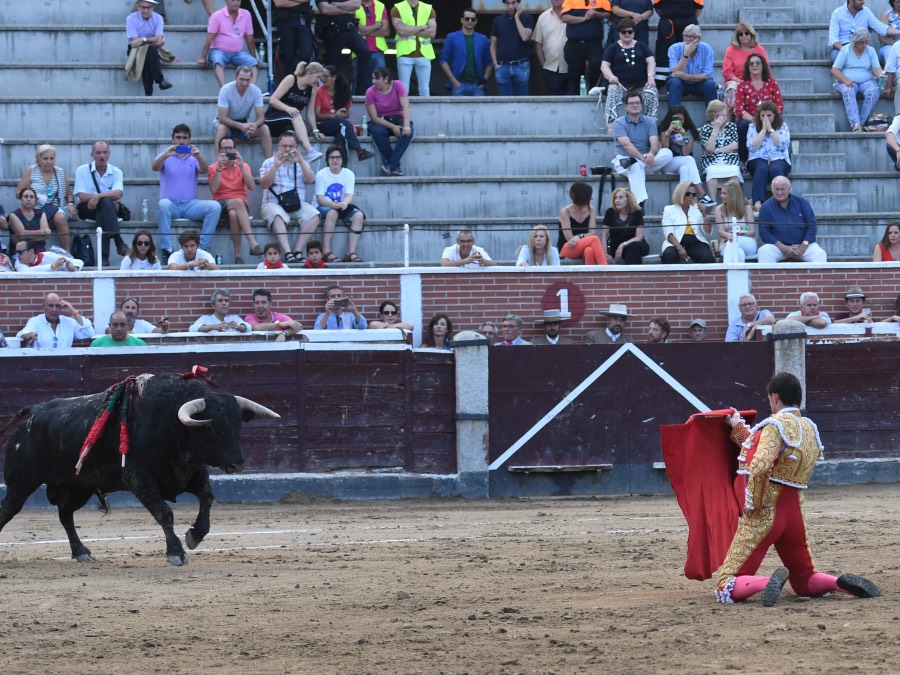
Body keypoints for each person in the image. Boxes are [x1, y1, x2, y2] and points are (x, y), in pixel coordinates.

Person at [716, 372, 880, 605]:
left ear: (774, 397)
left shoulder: (774, 426)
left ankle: (765, 582)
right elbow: (766, 450)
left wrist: (755, 501)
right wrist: (737, 427)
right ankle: (837, 583)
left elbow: (761, 466)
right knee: (804, 577)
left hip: (767, 510)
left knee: (726, 581)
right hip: (794, 513)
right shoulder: (809, 429)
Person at [153, 124, 222, 261]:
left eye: (185, 138)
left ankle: (202, 248)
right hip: (171, 204)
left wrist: (199, 157)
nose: (181, 141)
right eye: (178, 137)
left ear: (189, 140)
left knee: (215, 207)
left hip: (191, 204)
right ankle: (166, 248)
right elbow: (154, 167)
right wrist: (166, 155)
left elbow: (204, 170)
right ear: (172, 139)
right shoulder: (164, 155)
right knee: (163, 204)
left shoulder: (194, 158)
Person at [259, 131, 319, 263]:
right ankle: (287, 253)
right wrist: (275, 166)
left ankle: (298, 251)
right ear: (278, 146)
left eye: (290, 146)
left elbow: (310, 180)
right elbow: (264, 184)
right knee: (277, 215)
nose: (287, 149)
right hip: (273, 203)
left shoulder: (301, 162)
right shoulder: (269, 162)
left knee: (314, 215)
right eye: (284, 146)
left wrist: (302, 162)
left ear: (296, 147)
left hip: (296, 203)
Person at [611, 89, 674, 206]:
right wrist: (641, 157)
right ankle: (639, 204)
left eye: (637, 103)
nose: (635, 105)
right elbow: (626, 145)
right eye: (631, 103)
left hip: (645, 159)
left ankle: (638, 203)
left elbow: (654, 142)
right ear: (626, 106)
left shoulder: (649, 121)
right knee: (635, 165)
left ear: (642, 105)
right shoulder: (619, 123)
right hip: (624, 160)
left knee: (667, 153)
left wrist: (650, 154)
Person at [73, 141, 129, 265]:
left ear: (109, 154)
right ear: (92, 154)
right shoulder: (82, 170)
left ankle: (104, 257)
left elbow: (118, 193)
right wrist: (104, 197)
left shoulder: (116, 171)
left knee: (103, 208)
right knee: (107, 202)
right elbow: (82, 196)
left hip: (104, 209)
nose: (101, 156)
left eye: (104, 152)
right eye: (98, 153)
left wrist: (99, 196)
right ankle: (118, 242)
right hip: (87, 208)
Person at [208, 136, 261, 265]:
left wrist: (241, 166)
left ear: (235, 150)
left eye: (230, 148)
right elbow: (214, 189)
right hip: (220, 203)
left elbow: (252, 187)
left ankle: (237, 255)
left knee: (233, 214)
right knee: (236, 202)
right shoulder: (213, 167)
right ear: (220, 151)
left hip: (240, 206)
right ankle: (252, 241)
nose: (228, 151)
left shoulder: (243, 165)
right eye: (225, 148)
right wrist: (220, 167)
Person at [15, 144, 76, 252]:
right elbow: (18, 193)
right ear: (38, 159)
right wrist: (35, 196)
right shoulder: (31, 170)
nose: (49, 162)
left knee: (60, 217)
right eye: (45, 158)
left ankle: (67, 252)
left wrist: (71, 204)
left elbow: (68, 194)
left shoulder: (60, 172)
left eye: (52, 158)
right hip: (34, 207)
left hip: (54, 207)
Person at [264, 61, 327, 162]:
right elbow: (273, 100)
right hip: (274, 116)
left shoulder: (313, 88)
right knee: (296, 114)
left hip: (291, 121)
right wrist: (287, 108)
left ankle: (287, 163)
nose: (319, 81)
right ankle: (309, 150)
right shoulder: (291, 79)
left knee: (291, 135)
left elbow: (310, 112)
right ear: (309, 73)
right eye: (318, 77)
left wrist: (315, 130)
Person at [600, 17, 657, 128]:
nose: (627, 34)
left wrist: (650, 77)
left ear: (634, 32)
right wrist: (611, 77)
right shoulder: (613, 48)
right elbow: (604, 65)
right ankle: (612, 125)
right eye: (623, 32)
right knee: (613, 90)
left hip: (640, 86)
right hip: (620, 86)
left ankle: (651, 123)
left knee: (651, 91)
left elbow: (651, 61)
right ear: (619, 33)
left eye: (630, 31)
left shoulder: (641, 46)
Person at [757, 177, 827, 263]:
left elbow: (811, 225)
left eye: (782, 189)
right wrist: (783, 247)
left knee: (820, 254)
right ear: (772, 190)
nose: (779, 192)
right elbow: (764, 232)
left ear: (789, 189)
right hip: (778, 247)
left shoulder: (801, 202)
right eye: (776, 189)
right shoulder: (765, 208)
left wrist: (803, 247)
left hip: (804, 245)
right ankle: (770, 277)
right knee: (764, 252)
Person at [314, 146, 366, 263]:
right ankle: (326, 251)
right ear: (327, 159)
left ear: (342, 159)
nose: (335, 160)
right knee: (332, 213)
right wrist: (332, 204)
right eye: (332, 158)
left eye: (338, 157)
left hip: (342, 204)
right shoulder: (321, 174)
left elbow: (349, 195)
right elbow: (320, 198)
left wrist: (344, 203)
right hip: (325, 205)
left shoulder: (349, 174)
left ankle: (351, 253)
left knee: (358, 216)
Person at [316, 65, 376, 161]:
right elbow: (317, 115)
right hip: (322, 125)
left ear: (334, 77)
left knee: (341, 136)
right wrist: (333, 116)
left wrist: (341, 114)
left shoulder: (342, 91)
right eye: (322, 76)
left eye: (326, 76)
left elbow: (347, 114)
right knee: (342, 124)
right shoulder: (319, 91)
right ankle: (359, 150)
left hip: (339, 125)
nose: (323, 79)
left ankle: (341, 168)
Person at [734, 55, 784, 166]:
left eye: (758, 63)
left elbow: (779, 106)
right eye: (751, 63)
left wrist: (769, 119)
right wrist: (755, 120)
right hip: (750, 119)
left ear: (763, 66)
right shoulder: (742, 84)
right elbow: (739, 109)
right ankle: (743, 160)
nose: (754, 65)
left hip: (770, 118)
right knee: (743, 125)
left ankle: (777, 158)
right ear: (748, 67)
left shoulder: (772, 82)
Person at [213, 66, 272, 158]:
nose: (244, 83)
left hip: (244, 123)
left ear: (251, 79)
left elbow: (261, 117)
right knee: (222, 128)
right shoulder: (225, 90)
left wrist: (255, 125)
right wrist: (240, 125)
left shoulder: (256, 91)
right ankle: (218, 162)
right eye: (242, 79)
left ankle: (269, 162)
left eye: (247, 80)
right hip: (225, 123)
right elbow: (221, 118)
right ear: (235, 77)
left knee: (264, 128)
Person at [197, 0, 258, 87]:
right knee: (217, 60)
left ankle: (252, 90)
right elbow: (209, 39)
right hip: (219, 51)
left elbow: (249, 38)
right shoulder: (216, 16)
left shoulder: (246, 14)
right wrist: (202, 58)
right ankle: (224, 89)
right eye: (232, 0)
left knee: (253, 63)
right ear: (226, 1)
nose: (236, 2)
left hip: (238, 53)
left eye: (238, 0)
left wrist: (254, 56)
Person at [365, 68, 414, 176]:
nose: (374, 81)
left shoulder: (398, 85)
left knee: (408, 131)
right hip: (381, 121)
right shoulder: (370, 92)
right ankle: (394, 167)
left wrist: (406, 125)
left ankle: (390, 165)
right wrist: (393, 127)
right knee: (377, 132)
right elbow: (374, 118)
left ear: (386, 78)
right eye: (373, 78)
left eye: (377, 78)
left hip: (398, 118)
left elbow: (405, 106)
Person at [657, 105, 711, 204]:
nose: (679, 122)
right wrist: (669, 132)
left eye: (681, 119)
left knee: (685, 169)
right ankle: (703, 194)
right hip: (667, 163)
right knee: (689, 159)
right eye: (675, 119)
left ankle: (681, 199)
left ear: (685, 118)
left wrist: (684, 134)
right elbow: (665, 148)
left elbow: (685, 153)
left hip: (682, 162)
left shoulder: (688, 131)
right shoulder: (664, 129)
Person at [832, 30, 883, 132]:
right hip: (846, 80)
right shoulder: (845, 50)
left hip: (866, 80)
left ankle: (861, 123)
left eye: (866, 42)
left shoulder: (870, 50)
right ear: (854, 42)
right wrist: (845, 80)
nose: (864, 45)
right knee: (848, 90)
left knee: (873, 91)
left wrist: (881, 75)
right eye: (861, 42)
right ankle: (855, 123)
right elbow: (835, 70)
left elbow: (876, 69)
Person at [318, 0, 371, 96]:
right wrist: (346, 10)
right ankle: (331, 93)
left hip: (350, 29)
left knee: (365, 52)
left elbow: (356, 4)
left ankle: (361, 92)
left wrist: (335, 4)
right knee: (332, 65)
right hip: (332, 31)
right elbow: (325, 9)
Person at [746, 101, 792, 211]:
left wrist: (770, 129)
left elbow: (782, 144)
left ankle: (782, 201)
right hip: (757, 158)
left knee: (775, 169)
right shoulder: (752, 127)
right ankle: (757, 203)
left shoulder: (783, 126)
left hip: (779, 158)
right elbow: (752, 147)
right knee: (762, 169)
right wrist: (763, 130)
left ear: (775, 115)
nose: (765, 118)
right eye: (763, 115)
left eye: (769, 115)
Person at [561, 0, 610, 95]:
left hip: (594, 43)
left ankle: (593, 91)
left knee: (597, 65)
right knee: (575, 72)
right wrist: (584, 18)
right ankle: (574, 96)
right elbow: (565, 18)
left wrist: (596, 13)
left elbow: (609, 14)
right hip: (574, 44)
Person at [441, 8, 493, 96]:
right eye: (467, 18)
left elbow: (489, 63)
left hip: (478, 86)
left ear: (476, 21)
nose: (470, 21)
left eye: (472, 19)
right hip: (458, 85)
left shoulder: (482, 39)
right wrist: (453, 81)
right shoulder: (452, 37)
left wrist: (484, 81)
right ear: (462, 20)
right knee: (458, 110)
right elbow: (443, 61)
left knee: (479, 110)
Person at [126, 0, 173, 96]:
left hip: (153, 49)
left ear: (153, 7)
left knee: (149, 51)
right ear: (138, 7)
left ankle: (149, 91)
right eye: (143, 7)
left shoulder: (158, 18)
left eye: (148, 7)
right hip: (135, 51)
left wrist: (143, 39)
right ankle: (160, 81)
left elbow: (158, 38)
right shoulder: (131, 18)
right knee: (149, 51)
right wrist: (151, 40)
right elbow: (135, 42)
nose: (146, 10)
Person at [660, 181, 714, 264]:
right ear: (680, 194)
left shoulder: (697, 208)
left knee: (707, 257)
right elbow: (668, 233)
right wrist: (679, 247)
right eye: (687, 194)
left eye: (693, 194)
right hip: (676, 241)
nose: (691, 197)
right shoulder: (669, 210)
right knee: (669, 255)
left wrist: (704, 215)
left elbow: (708, 231)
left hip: (696, 241)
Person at [17, 292, 94, 349]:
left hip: (66, 365)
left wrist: (74, 312)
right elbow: (23, 333)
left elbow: (88, 332)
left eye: (57, 306)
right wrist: (29, 335)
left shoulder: (69, 322)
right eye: (51, 306)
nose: (54, 310)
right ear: (43, 307)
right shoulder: (35, 321)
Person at [391, 0, 437, 96]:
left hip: (424, 54)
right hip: (405, 54)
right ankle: (404, 111)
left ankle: (425, 111)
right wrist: (422, 27)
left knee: (424, 90)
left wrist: (408, 29)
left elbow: (432, 33)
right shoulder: (397, 8)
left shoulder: (428, 8)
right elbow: (401, 31)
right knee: (404, 90)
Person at [829, 0, 899, 62]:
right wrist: (846, 50)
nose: (863, 2)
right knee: (836, 57)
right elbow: (833, 39)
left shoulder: (866, 11)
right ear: (850, 1)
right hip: (842, 46)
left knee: (874, 58)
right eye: (860, 0)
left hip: (861, 46)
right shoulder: (837, 13)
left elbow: (882, 28)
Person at [722, 21, 768, 112]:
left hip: (756, 79)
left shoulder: (759, 49)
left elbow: (766, 69)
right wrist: (739, 81)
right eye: (740, 34)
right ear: (737, 36)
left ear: (751, 34)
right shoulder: (731, 49)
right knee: (732, 88)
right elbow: (727, 71)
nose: (744, 36)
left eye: (746, 33)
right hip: (736, 80)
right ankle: (728, 120)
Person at [699, 100, 741, 201]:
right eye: (720, 116)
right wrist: (716, 129)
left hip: (730, 160)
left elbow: (734, 145)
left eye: (725, 115)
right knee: (712, 171)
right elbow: (709, 148)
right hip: (711, 161)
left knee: (734, 171)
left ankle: (733, 204)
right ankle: (713, 204)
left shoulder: (732, 126)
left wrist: (716, 150)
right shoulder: (706, 128)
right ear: (713, 116)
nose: (724, 119)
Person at [558, 181, 608, 265]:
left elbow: (592, 233)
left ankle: (590, 277)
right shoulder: (565, 212)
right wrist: (582, 237)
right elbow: (569, 238)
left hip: (583, 246)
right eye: (589, 195)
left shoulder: (591, 210)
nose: (591, 198)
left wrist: (579, 236)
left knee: (589, 251)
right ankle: (606, 271)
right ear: (583, 197)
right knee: (595, 239)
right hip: (568, 247)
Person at [666, 24, 718, 107]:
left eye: (691, 37)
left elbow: (707, 75)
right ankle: (674, 118)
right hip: (680, 83)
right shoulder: (674, 48)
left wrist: (687, 76)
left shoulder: (707, 49)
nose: (687, 39)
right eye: (685, 36)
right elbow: (675, 73)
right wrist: (686, 55)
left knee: (710, 84)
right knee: (674, 82)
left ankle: (713, 119)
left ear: (698, 38)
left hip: (699, 84)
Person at [652, 0, 702, 83]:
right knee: (663, 51)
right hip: (668, 23)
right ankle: (661, 80)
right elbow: (657, 6)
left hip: (688, 23)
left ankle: (686, 77)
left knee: (688, 49)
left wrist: (688, 18)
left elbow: (699, 7)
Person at [491, 0, 534, 96]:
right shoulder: (498, 20)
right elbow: (493, 44)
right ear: (505, 4)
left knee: (522, 100)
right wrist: (495, 64)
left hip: (521, 65)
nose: (510, 6)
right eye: (508, 3)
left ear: (518, 3)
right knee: (504, 101)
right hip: (502, 66)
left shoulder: (527, 18)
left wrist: (517, 17)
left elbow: (525, 37)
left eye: (513, 3)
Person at [601, 186, 649, 264]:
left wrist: (623, 245)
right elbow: (603, 235)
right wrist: (605, 254)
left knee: (633, 247)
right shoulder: (610, 212)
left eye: (620, 197)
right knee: (632, 252)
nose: (617, 200)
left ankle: (632, 274)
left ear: (628, 199)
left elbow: (639, 237)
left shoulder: (637, 213)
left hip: (636, 244)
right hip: (616, 248)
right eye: (615, 198)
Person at [714, 179, 757, 262]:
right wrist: (730, 236)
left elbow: (752, 231)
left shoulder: (747, 208)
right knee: (738, 253)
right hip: (727, 242)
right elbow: (720, 232)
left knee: (733, 242)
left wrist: (736, 231)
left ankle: (727, 273)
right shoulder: (719, 209)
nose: (721, 196)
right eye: (721, 193)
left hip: (747, 242)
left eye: (724, 193)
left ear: (733, 195)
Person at [272, 0, 315, 79]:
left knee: (306, 53)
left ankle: (290, 80)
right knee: (287, 55)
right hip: (285, 21)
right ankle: (291, 83)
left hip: (303, 19)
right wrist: (301, 3)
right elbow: (279, 2)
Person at [533, 0, 568, 95]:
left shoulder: (571, 15)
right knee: (555, 103)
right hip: (550, 68)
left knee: (573, 102)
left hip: (571, 67)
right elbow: (538, 43)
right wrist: (543, 65)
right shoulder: (543, 17)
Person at [356, 0, 390, 84]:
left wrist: (365, 31)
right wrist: (377, 26)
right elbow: (356, 30)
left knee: (380, 83)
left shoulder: (380, 5)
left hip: (377, 50)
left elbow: (386, 31)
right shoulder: (353, 4)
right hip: (358, 51)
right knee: (359, 83)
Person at [13, 239, 83, 273]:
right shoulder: (18, 262)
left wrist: (73, 268)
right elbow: (26, 272)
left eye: (20, 252)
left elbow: (79, 261)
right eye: (16, 252)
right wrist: (53, 266)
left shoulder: (49, 256)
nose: (17, 255)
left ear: (31, 251)